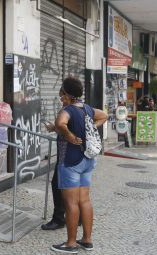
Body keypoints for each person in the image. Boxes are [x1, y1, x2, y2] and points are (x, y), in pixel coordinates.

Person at [50, 77, 107, 254]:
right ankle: (87, 240)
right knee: (85, 200)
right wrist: (88, 128)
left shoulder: (67, 110)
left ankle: (71, 243)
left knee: (71, 203)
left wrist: (68, 135)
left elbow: (61, 123)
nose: (61, 96)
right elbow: (104, 115)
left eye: (62, 92)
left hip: (71, 162)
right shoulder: (87, 108)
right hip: (87, 161)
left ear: (67, 93)